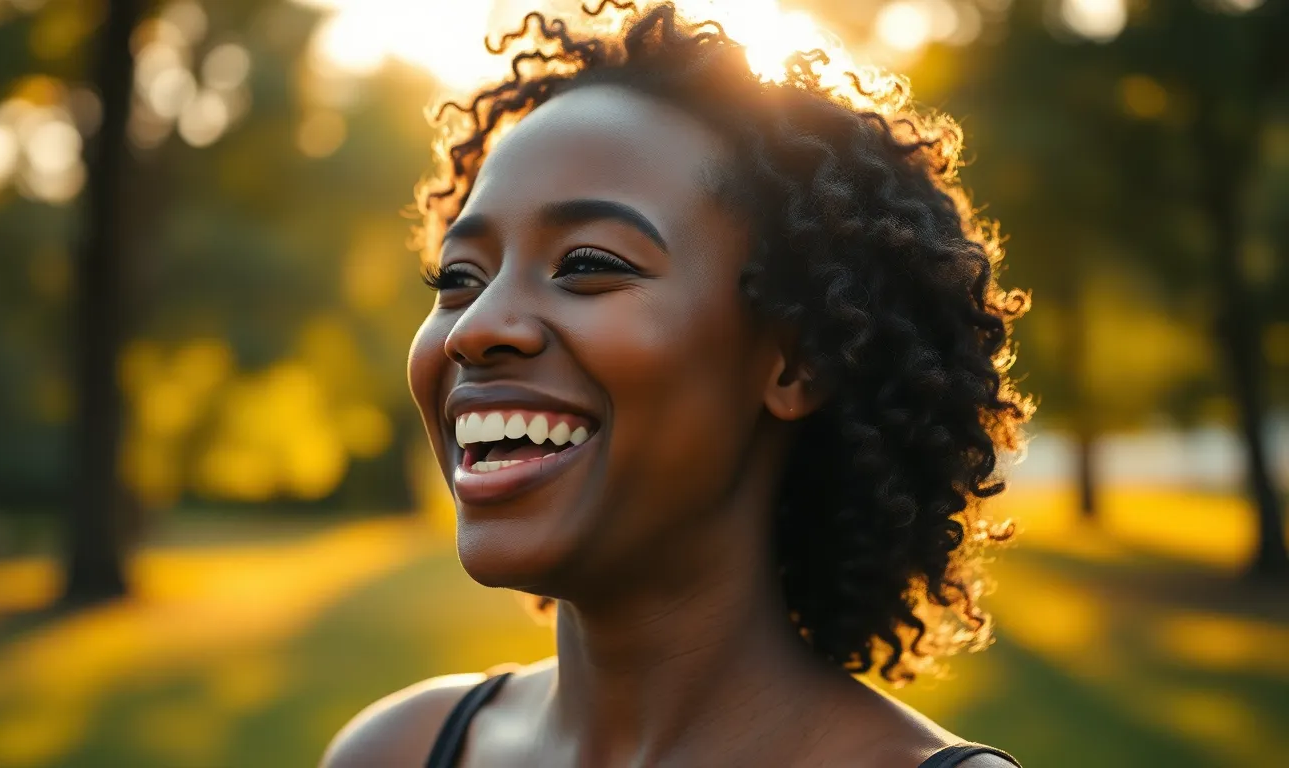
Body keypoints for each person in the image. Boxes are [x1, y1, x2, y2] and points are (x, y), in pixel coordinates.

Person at [325, 2, 1032, 765]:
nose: (474, 328)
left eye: (589, 265)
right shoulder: (394, 752)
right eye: (459, 277)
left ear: (796, 362)